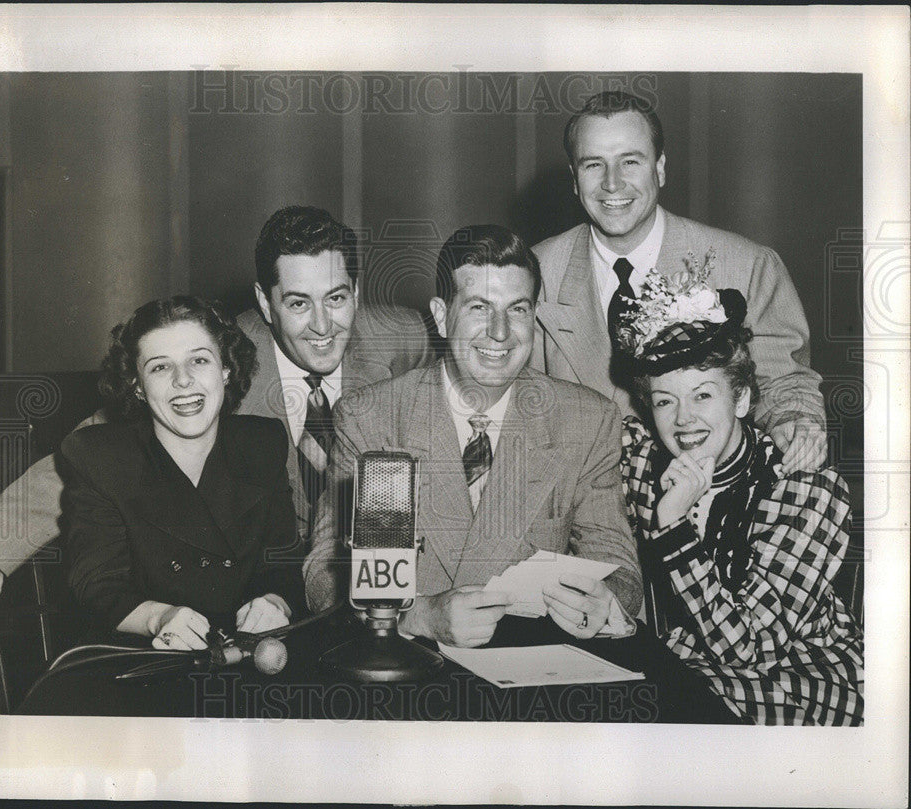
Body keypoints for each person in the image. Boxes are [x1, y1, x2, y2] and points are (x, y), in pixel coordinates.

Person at [0, 205, 432, 608]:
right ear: (267, 304)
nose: (324, 326)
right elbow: (104, 444)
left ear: (356, 292)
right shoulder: (223, 358)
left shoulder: (403, 336)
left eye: (337, 298)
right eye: (299, 304)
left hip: (370, 574)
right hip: (263, 584)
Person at [304, 225, 642, 647]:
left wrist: (606, 600)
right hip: (405, 665)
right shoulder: (370, 418)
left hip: (533, 671)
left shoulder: (586, 420)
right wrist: (417, 616)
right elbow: (324, 572)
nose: (500, 332)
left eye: (517, 309)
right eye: (480, 307)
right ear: (443, 316)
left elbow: (619, 568)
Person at [530, 90, 827, 476]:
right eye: (593, 165)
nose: (612, 184)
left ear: (661, 168)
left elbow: (784, 383)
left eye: (630, 161)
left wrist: (795, 422)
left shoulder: (748, 265)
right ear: (574, 179)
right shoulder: (536, 272)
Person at [616, 265, 863, 724]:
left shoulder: (803, 489)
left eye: (703, 396)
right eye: (665, 400)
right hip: (683, 665)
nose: (684, 419)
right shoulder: (640, 457)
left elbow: (746, 649)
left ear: (744, 399)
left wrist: (672, 528)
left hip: (794, 678)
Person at [62, 296, 302, 648]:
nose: (183, 381)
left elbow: (282, 564)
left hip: (249, 652)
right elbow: (97, 586)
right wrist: (158, 618)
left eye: (199, 360)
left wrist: (274, 602)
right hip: (141, 658)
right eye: (160, 367)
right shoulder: (100, 456)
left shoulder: (262, 444)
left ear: (226, 370)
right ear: (138, 387)